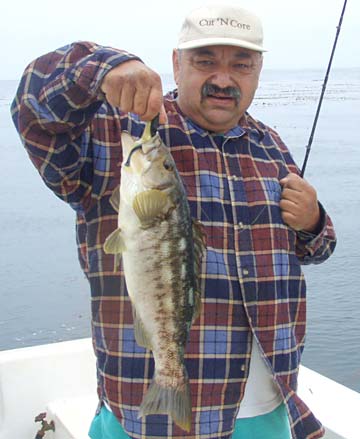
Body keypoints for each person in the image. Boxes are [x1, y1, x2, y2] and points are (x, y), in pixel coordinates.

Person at [11, 4, 336, 439]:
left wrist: (314, 222)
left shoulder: (269, 145)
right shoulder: (119, 133)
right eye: (205, 62)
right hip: (148, 417)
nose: (224, 78)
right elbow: (33, 109)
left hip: (269, 407)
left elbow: (316, 249)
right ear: (176, 65)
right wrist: (103, 66)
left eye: (242, 64)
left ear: (258, 71)